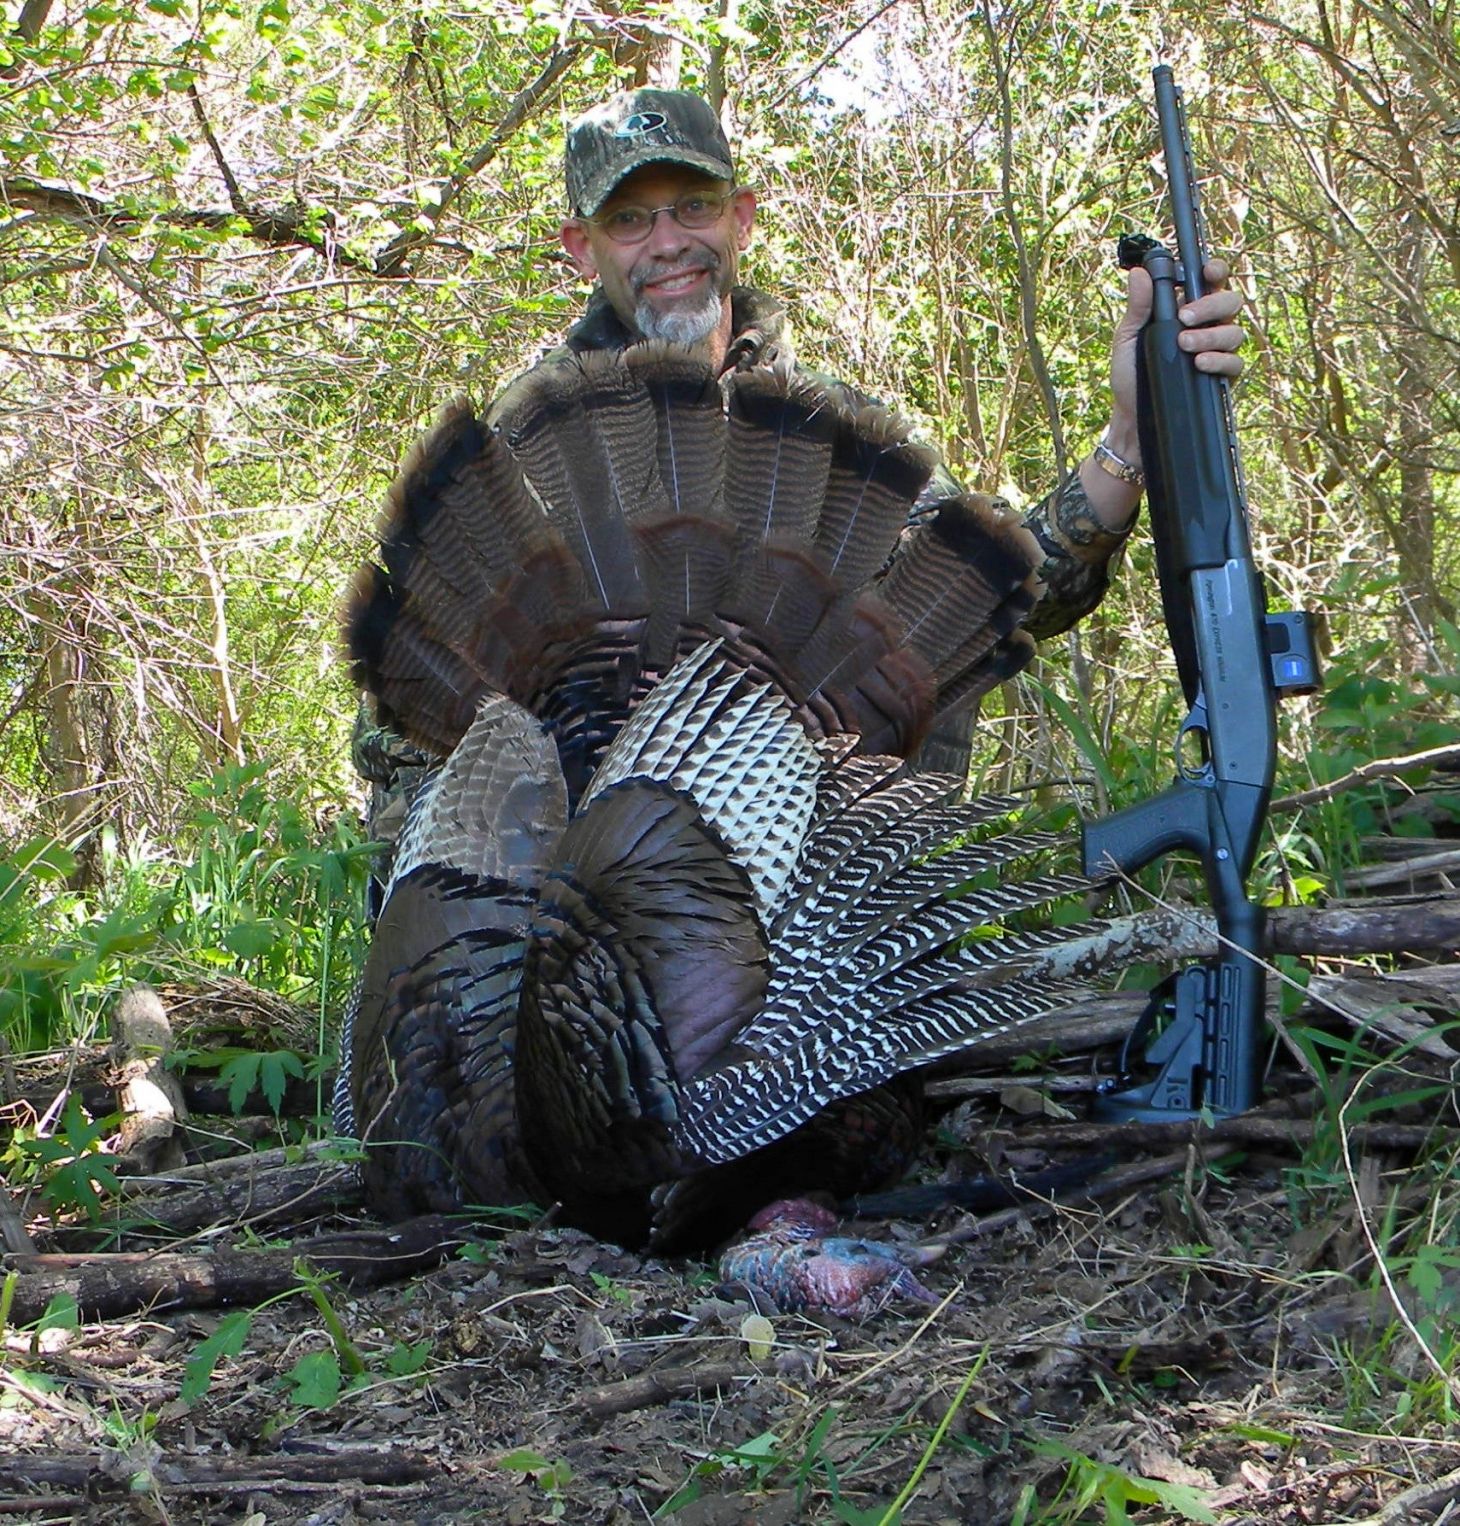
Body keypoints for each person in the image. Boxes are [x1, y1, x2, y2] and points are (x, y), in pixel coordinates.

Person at [353, 85, 1246, 884]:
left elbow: (983, 595)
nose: (669, 244)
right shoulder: (525, 448)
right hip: (586, 924)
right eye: (630, 220)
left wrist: (1131, 436)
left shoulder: (817, 424)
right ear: (582, 248)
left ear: (740, 216)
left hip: (816, 906)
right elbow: (408, 752)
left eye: (693, 206)